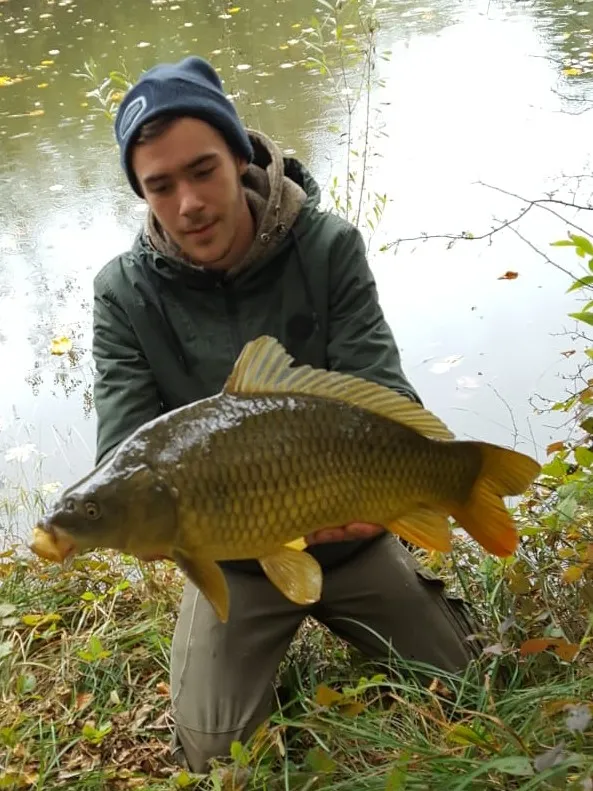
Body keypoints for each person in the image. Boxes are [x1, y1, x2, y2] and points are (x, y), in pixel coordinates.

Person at [91, 55, 482, 774]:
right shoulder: (123, 292)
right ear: (141, 192)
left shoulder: (326, 246)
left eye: (203, 170)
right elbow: (121, 451)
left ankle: (400, 591)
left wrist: (385, 505)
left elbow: (383, 391)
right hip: (234, 560)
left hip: (351, 535)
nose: (188, 204)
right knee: (217, 757)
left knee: (468, 688)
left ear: (240, 155)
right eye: (161, 186)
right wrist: (138, 525)